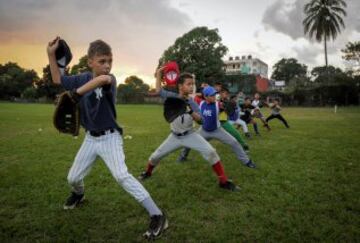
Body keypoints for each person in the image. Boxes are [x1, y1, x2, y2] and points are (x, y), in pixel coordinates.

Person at [47, 37, 167, 239]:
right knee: (73, 178)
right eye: (102, 61)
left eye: (109, 61)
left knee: (121, 175)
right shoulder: (81, 78)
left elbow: (102, 81)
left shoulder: (109, 79)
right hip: (90, 139)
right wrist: (51, 54)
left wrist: (74, 95)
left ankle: (158, 214)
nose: (107, 66)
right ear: (90, 62)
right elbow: (57, 79)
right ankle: (78, 194)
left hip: (110, 137)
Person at [139, 67, 240, 192]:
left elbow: (201, 120)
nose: (192, 86)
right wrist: (159, 74)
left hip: (190, 135)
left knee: (211, 152)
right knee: (155, 157)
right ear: (180, 86)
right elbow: (159, 90)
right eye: (189, 84)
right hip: (175, 136)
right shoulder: (172, 96)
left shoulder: (192, 102)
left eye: (193, 84)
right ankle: (148, 173)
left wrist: (189, 110)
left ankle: (223, 181)